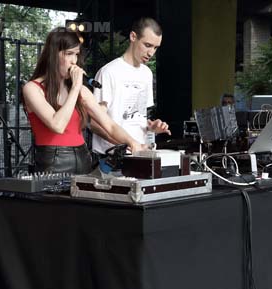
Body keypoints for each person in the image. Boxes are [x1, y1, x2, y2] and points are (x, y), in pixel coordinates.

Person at [22, 28, 143, 174]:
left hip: (83, 159)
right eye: (69, 54)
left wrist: (133, 142)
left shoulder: (82, 91)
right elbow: (57, 125)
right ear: (53, 55)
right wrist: (76, 88)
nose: (74, 61)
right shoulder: (33, 89)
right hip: (52, 164)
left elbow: (109, 125)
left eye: (76, 54)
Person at [91, 17, 170, 156]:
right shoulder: (109, 72)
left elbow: (136, 117)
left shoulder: (146, 73)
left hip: (139, 154)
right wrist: (126, 144)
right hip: (112, 157)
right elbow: (96, 123)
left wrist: (151, 127)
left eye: (155, 47)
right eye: (147, 45)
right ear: (133, 36)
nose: (151, 53)